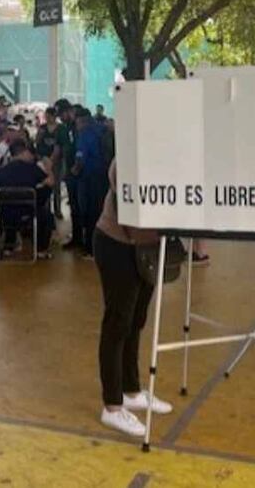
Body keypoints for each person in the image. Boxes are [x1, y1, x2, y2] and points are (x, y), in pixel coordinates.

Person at [93, 159, 173, 436]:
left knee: (136, 320)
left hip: (147, 247)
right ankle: (112, 406)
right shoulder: (130, 152)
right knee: (117, 322)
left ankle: (131, 390)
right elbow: (126, 189)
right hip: (118, 244)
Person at [0, 140, 54, 256]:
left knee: (7, 208)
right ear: (24, 152)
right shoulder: (32, 169)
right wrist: (49, 168)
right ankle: (41, 249)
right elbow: (50, 182)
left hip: (6, 213)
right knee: (45, 214)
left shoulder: (0, 171)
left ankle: (8, 246)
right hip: (28, 211)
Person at [74, 106, 109, 257]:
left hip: (89, 177)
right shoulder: (102, 129)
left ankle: (90, 248)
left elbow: (80, 159)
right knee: (102, 211)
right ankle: (103, 247)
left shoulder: (85, 134)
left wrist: (73, 172)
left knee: (89, 213)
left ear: (81, 121)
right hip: (104, 175)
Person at [55, 100, 78, 241]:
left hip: (80, 172)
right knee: (74, 206)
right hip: (71, 170)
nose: (60, 118)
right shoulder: (66, 127)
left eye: (61, 115)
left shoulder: (78, 126)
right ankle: (76, 237)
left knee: (82, 207)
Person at [35, 107, 61, 217]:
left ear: (54, 116)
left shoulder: (60, 129)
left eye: (49, 116)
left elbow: (59, 146)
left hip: (56, 161)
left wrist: (52, 159)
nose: (47, 118)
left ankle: (57, 209)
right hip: (43, 160)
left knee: (56, 186)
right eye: (46, 116)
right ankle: (46, 210)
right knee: (44, 185)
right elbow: (37, 142)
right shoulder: (42, 128)